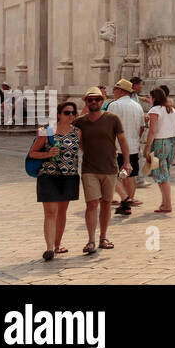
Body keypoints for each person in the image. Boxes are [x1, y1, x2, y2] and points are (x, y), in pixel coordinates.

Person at [73, 86, 132, 254]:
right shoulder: (80, 121)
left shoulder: (112, 119)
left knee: (106, 204)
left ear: (102, 101)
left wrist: (126, 162)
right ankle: (91, 240)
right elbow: (68, 134)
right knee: (91, 204)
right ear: (86, 102)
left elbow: (122, 140)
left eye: (97, 99)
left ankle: (103, 237)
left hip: (109, 168)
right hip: (89, 168)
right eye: (90, 99)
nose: (94, 102)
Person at [29, 100, 80, 261]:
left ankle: (57, 244)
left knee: (62, 212)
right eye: (67, 113)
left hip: (69, 176)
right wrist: (48, 154)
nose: (70, 116)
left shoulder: (78, 132)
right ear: (58, 114)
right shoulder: (46, 132)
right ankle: (49, 248)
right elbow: (33, 153)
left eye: (73, 113)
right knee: (50, 212)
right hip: (49, 175)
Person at [106, 79, 145, 215]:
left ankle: (125, 199)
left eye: (115, 89)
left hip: (117, 146)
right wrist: (135, 138)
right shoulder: (138, 106)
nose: (113, 92)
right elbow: (141, 127)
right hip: (133, 145)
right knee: (131, 176)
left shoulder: (114, 106)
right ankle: (129, 201)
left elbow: (109, 127)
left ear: (121, 91)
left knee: (113, 175)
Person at [144, 88, 175, 213]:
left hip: (159, 144)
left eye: (150, 97)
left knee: (160, 175)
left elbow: (152, 130)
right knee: (163, 173)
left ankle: (167, 204)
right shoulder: (171, 109)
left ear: (154, 98)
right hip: (171, 143)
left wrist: (147, 147)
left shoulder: (155, 110)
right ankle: (164, 203)